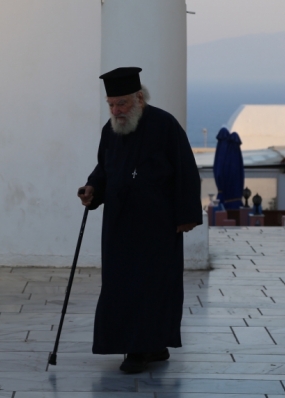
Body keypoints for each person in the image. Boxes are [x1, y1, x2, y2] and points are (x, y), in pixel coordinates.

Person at [77, 67, 202, 374]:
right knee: (121, 286)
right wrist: (93, 188)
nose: (116, 111)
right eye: (111, 105)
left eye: (122, 104)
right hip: (119, 225)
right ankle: (148, 345)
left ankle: (141, 349)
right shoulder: (112, 130)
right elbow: (104, 168)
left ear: (140, 99)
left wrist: (187, 216)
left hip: (157, 226)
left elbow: (186, 170)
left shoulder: (165, 125)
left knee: (153, 287)